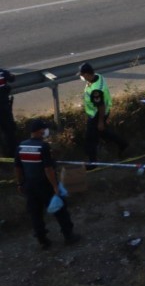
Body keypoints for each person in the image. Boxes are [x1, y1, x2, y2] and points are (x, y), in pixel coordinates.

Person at [14, 119, 77, 249]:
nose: (45, 132)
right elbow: (48, 169)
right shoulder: (43, 146)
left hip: (29, 186)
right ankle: (69, 236)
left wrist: (19, 183)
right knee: (60, 210)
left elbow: (18, 168)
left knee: (35, 214)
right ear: (38, 131)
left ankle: (43, 241)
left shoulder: (20, 146)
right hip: (45, 185)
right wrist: (55, 186)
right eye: (43, 129)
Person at [79, 62, 127, 168]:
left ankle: (93, 163)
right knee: (102, 132)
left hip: (97, 114)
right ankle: (122, 143)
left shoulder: (96, 90)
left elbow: (101, 106)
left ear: (87, 74)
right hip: (98, 112)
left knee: (90, 138)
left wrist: (100, 121)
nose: (81, 77)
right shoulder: (98, 77)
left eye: (82, 75)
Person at [0, 66, 17, 160]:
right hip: (4, 107)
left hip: (4, 107)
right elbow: (12, 78)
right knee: (9, 131)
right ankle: (11, 155)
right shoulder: (2, 73)